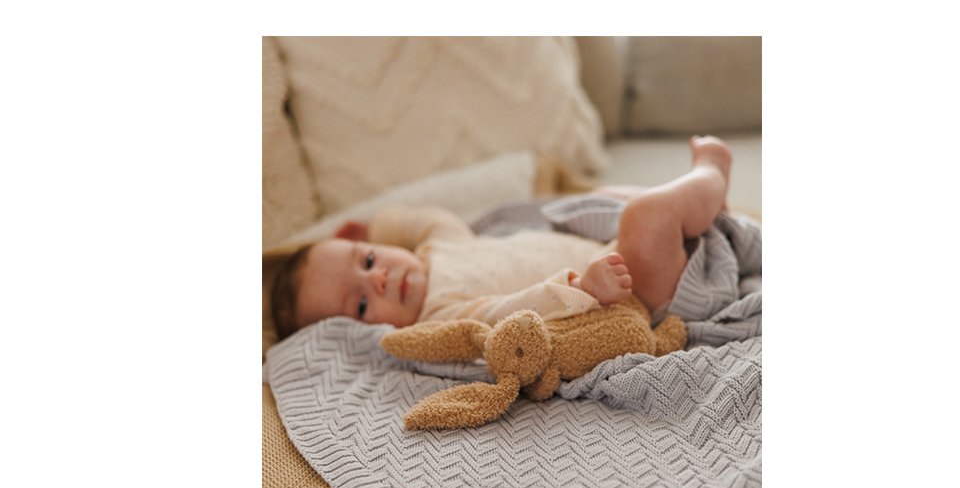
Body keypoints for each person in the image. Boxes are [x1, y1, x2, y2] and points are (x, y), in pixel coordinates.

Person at [271, 135, 732, 339]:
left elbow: (424, 219)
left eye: (368, 259)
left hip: (609, 253)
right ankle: (710, 173)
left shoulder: (441, 247)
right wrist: (581, 290)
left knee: (599, 200)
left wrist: (374, 226)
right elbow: (507, 313)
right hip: (630, 296)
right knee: (645, 216)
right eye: (361, 305)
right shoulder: (440, 316)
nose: (378, 280)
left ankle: (704, 211)